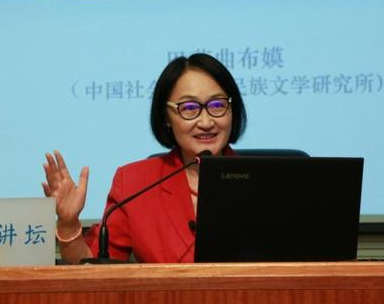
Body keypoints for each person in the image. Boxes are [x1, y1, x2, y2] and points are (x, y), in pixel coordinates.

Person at [42, 53, 247, 263]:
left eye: (217, 105)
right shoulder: (135, 183)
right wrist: (69, 224)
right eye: (189, 108)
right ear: (167, 117)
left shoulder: (263, 183)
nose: (206, 122)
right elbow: (94, 267)